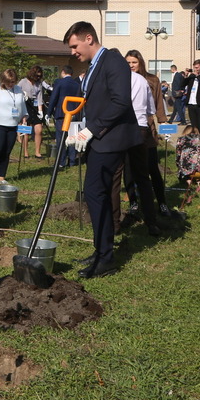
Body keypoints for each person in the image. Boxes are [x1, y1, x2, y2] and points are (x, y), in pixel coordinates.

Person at [63, 21, 140, 279]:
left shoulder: (113, 61)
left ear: (89, 38)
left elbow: (120, 102)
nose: (73, 52)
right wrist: (81, 128)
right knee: (97, 194)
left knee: (96, 193)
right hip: (100, 139)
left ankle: (106, 256)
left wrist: (92, 129)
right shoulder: (94, 65)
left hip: (111, 141)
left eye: (75, 46)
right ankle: (100, 250)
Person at [125, 49, 171, 218]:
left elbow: (158, 103)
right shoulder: (122, 79)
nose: (131, 66)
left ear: (140, 63)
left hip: (147, 128)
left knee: (152, 167)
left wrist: (163, 122)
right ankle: (133, 202)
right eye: (128, 62)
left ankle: (162, 202)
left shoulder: (151, 80)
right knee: (128, 168)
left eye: (134, 62)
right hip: (128, 127)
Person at [49, 65, 83, 167]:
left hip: (61, 113)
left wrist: (49, 112)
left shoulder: (59, 82)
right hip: (74, 113)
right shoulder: (77, 84)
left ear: (63, 72)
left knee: (61, 138)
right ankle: (72, 161)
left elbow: (54, 97)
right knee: (72, 137)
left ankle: (61, 161)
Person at [17, 65, 45, 159]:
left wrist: (40, 111)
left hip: (35, 107)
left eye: (39, 76)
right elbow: (16, 92)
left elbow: (40, 97)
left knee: (39, 130)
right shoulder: (23, 82)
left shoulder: (39, 83)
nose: (38, 78)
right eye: (36, 76)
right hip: (25, 106)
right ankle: (25, 151)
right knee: (26, 131)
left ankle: (37, 152)